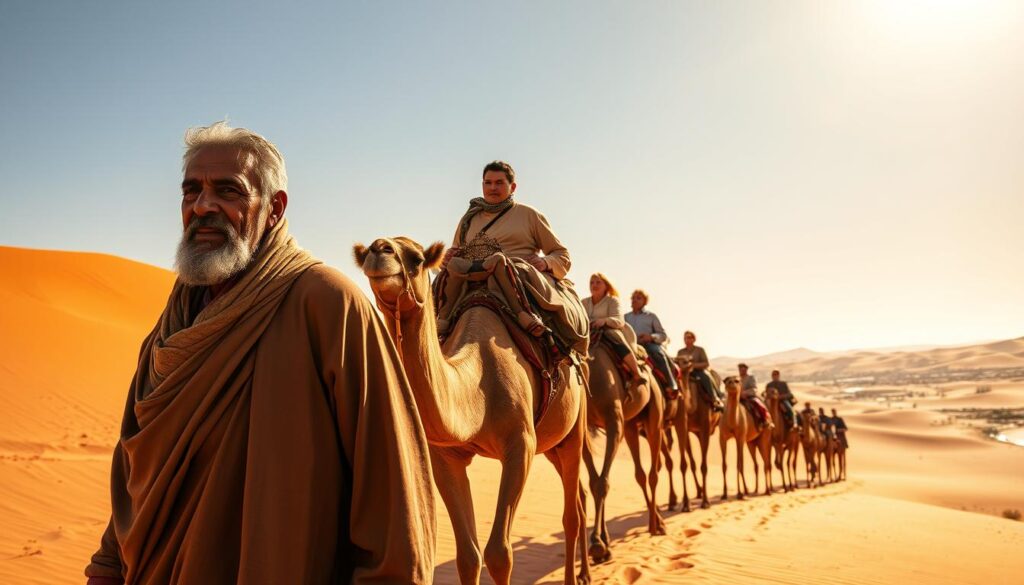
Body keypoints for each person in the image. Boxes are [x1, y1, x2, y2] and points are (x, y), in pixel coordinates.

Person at [84, 122, 435, 585]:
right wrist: (107, 569)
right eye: (191, 191)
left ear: (274, 207)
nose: (203, 206)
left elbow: (395, 503)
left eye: (227, 191)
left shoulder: (327, 304)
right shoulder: (171, 325)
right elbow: (133, 476)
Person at [435, 161, 587, 355]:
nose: (492, 188)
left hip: (516, 274)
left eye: (499, 183)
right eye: (488, 183)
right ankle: (433, 332)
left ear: (512, 186)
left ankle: (553, 347)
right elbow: (456, 251)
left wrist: (545, 262)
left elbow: (561, 254)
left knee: (505, 264)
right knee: (432, 290)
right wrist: (448, 257)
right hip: (471, 276)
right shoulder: (468, 219)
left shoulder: (529, 215)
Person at [582, 273, 647, 393]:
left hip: (608, 329)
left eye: (598, 282)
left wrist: (604, 321)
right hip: (588, 332)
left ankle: (636, 371)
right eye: (592, 282)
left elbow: (619, 320)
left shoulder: (612, 301)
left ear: (606, 286)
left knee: (613, 337)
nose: (594, 285)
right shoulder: (584, 302)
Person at [625, 290, 679, 393]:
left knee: (658, 354)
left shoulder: (651, 316)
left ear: (645, 301)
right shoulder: (626, 317)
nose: (634, 300)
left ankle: (671, 383)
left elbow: (663, 335)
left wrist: (651, 337)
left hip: (648, 345)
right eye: (633, 298)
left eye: (638, 298)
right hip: (630, 345)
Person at [675, 330, 724, 411]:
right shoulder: (680, 352)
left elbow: (706, 363)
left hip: (697, 371)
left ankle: (714, 398)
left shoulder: (699, 350)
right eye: (685, 338)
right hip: (684, 373)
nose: (687, 340)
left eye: (689, 338)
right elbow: (677, 363)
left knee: (706, 377)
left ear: (694, 339)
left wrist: (692, 365)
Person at [739, 363, 771, 429]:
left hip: (749, 397)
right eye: (740, 369)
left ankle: (764, 420)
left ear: (746, 369)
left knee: (758, 404)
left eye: (743, 369)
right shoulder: (738, 380)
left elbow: (754, 388)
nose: (741, 371)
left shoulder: (750, 378)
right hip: (738, 398)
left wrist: (745, 393)